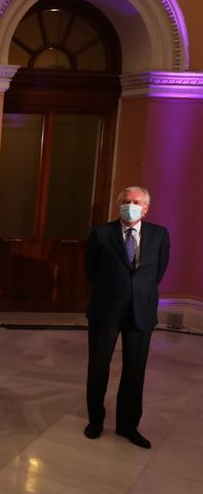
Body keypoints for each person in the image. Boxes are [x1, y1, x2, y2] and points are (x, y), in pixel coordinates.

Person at [84, 186, 169, 449]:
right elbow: (90, 270)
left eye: (136, 202)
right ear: (118, 204)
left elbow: (158, 271)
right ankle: (95, 420)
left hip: (141, 311)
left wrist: (136, 292)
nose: (130, 205)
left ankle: (127, 425)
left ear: (145, 208)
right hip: (106, 309)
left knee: (135, 370)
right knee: (98, 367)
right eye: (125, 201)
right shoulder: (101, 233)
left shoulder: (159, 234)